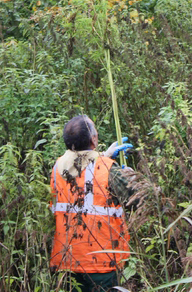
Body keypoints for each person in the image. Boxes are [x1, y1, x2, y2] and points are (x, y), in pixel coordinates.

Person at [50, 114, 136, 292]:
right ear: (93, 139)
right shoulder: (107, 169)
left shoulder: (57, 168)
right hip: (102, 263)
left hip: (67, 261)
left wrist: (104, 155)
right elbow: (138, 199)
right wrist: (132, 177)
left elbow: (80, 170)